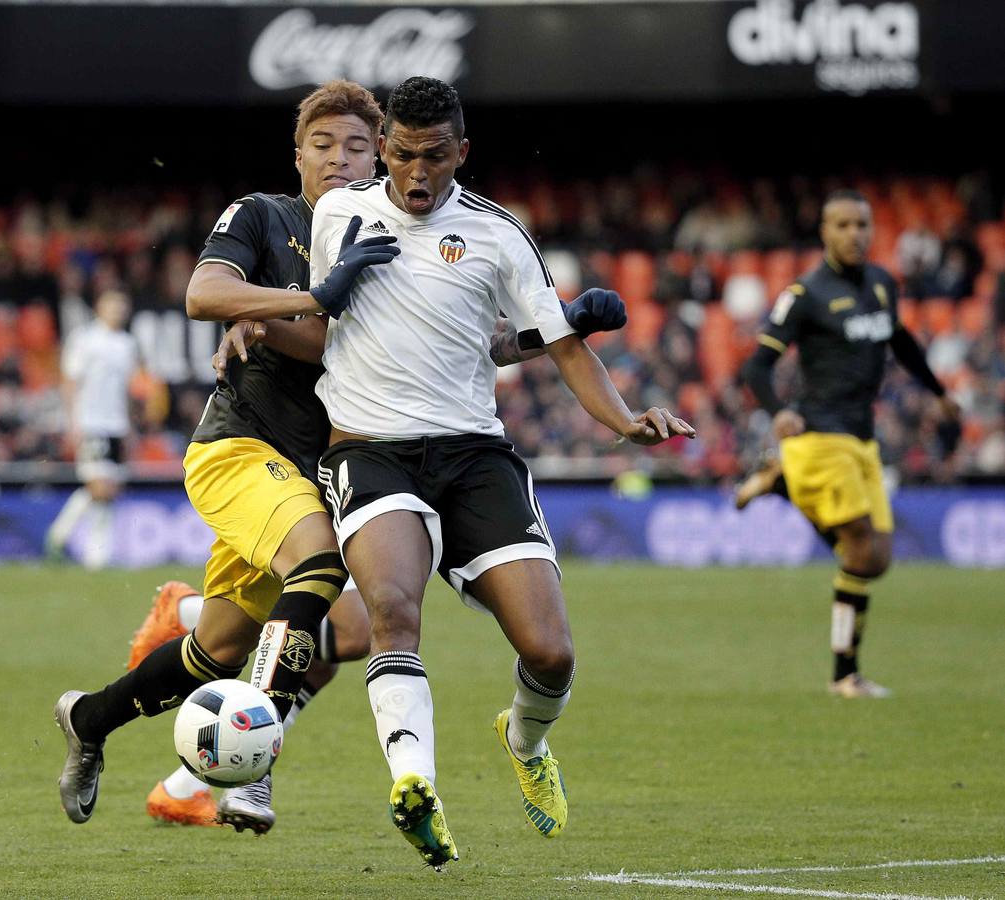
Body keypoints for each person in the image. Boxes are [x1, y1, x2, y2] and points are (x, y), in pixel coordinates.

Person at [307, 76, 693, 870]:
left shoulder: (495, 233)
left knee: (549, 652)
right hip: (370, 449)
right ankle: (415, 786)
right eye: (405, 156)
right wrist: (315, 296)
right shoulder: (337, 214)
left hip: (472, 454)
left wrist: (624, 421)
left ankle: (523, 740)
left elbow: (553, 343)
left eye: (436, 158)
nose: (419, 174)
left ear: (462, 154)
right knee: (389, 605)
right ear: (383, 150)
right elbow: (319, 321)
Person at [52, 80, 401, 832]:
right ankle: (252, 774)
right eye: (322, 144)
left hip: (315, 472)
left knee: (213, 653)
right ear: (297, 154)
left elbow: (347, 346)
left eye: (356, 147)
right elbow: (205, 293)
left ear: (379, 158)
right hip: (237, 449)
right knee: (320, 566)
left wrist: (275, 315)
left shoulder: (387, 242)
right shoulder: (263, 214)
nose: (338, 159)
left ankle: (88, 719)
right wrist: (298, 299)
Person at [738, 189, 960, 698]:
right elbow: (757, 365)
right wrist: (779, 412)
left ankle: (783, 484)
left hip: (863, 437)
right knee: (860, 545)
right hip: (819, 434)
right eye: (842, 225)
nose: (854, 234)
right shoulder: (806, 293)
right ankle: (845, 676)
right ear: (824, 233)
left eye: (862, 225)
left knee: (874, 559)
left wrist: (940, 394)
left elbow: (900, 341)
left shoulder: (882, 285)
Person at [44, 289, 138, 569]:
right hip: (91, 421)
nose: (118, 311)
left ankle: (97, 556)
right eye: (113, 305)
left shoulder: (127, 344)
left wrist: (131, 425)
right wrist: (73, 421)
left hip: (118, 424)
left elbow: (127, 390)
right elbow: (70, 382)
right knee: (99, 487)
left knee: (111, 489)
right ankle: (61, 534)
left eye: (122, 306)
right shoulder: (85, 340)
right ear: (99, 308)